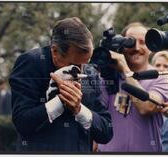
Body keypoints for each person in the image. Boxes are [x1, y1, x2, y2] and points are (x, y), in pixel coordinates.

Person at [9, 17, 113, 152]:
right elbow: (22, 122)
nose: (81, 71)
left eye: (86, 63)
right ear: (55, 51)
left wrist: (79, 110)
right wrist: (61, 101)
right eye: (74, 64)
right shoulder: (31, 63)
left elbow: (106, 132)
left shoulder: (90, 73)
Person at [98, 22, 168, 152]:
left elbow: (146, 107)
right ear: (121, 45)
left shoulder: (161, 77)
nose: (136, 47)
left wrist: (125, 69)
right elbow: (96, 114)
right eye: (130, 42)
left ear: (150, 47)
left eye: (143, 42)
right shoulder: (107, 78)